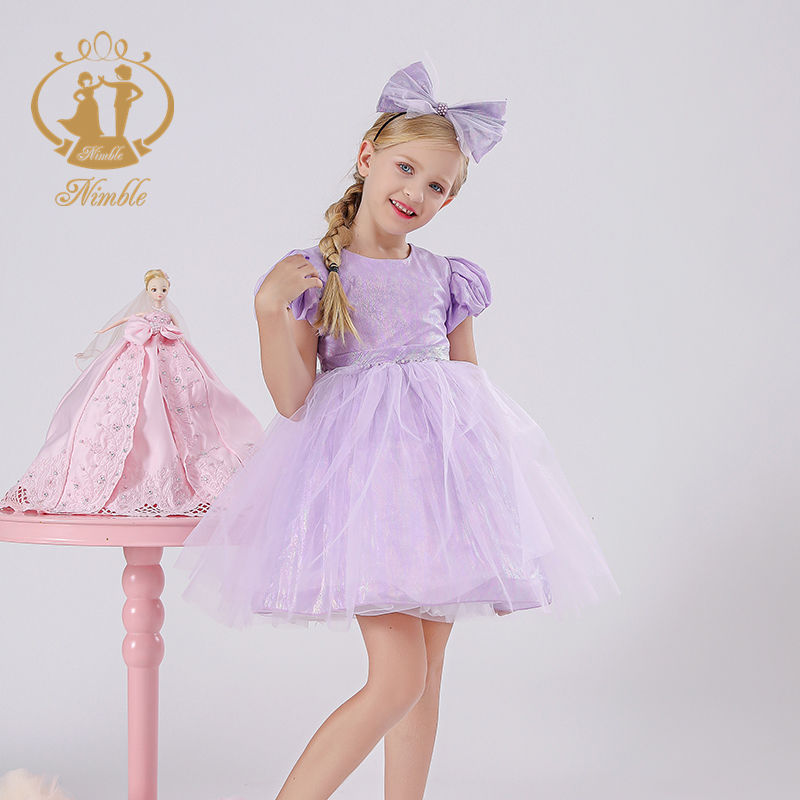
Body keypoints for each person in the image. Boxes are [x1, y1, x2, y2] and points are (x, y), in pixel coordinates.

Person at [174, 60, 621, 799]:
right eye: (405, 169)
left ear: (451, 197)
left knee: (426, 676)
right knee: (398, 678)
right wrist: (266, 312)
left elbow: (468, 385)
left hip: (443, 491)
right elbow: (294, 400)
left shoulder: (447, 275)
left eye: (437, 186)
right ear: (367, 158)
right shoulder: (316, 272)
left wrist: (486, 489)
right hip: (367, 495)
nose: (415, 192)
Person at [2, 269, 263, 516]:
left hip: (169, 355)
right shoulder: (144, 314)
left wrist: (182, 344)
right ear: (148, 290)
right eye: (155, 289)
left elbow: (180, 332)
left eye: (163, 289)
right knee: (130, 399)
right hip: (142, 353)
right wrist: (103, 331)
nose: (159, 294)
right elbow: (123, 321)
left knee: (184, 399)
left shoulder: (167, 315)